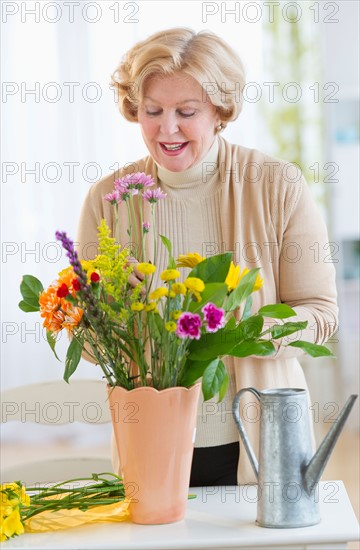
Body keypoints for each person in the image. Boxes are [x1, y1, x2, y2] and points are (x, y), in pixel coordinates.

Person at [77, 28, 338, 486]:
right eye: (152, 111)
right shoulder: (108, 200)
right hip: (154, 440)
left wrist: (247, 330)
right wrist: (115, 318)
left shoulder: (277, 186)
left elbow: (321, 312)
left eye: (187, 112)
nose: (167, 129)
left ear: (220, 112)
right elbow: (89, 338)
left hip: (262, 436)